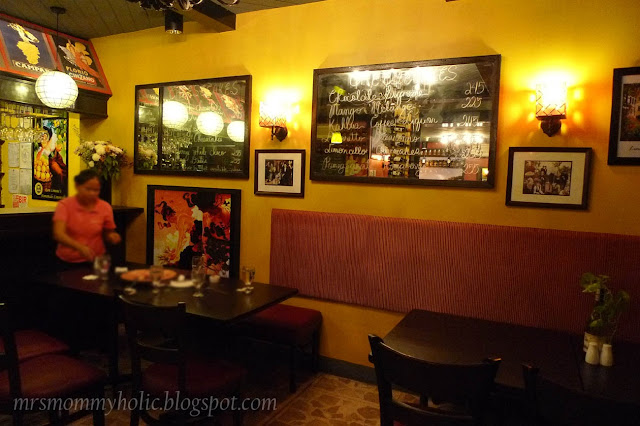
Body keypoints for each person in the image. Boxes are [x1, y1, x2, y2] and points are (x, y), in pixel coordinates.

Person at [52, 169, 121, 267]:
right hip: (69, 262)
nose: (92, 193)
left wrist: (112, 236)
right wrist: (80, 247)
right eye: (88, 189)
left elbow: (107, 232)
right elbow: (58, 234)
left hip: (96, 260)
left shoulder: (105, 207)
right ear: (77, 186)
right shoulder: (65, 205)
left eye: (96, 190)